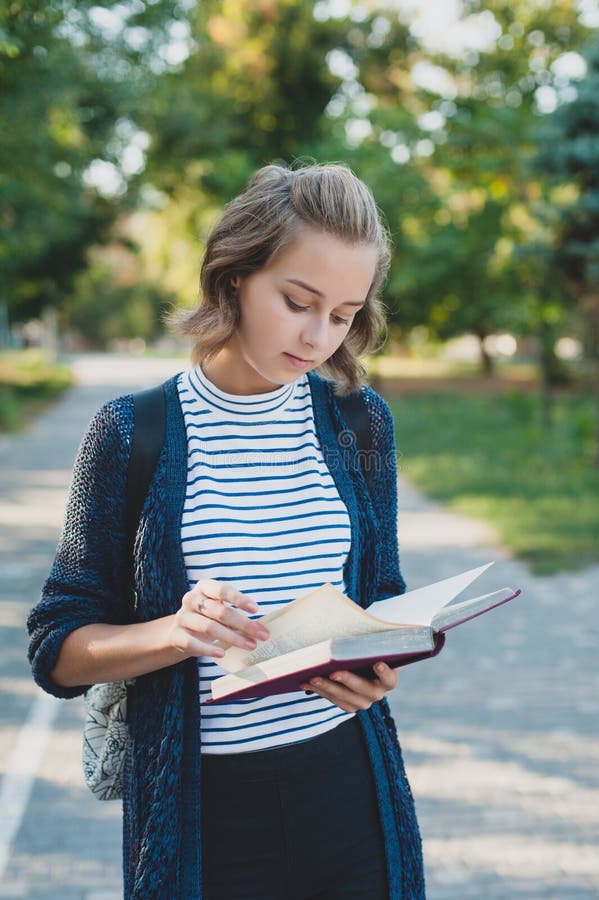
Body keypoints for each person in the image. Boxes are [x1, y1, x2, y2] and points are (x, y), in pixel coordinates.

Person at [27, 162, 425, 899]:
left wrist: (373, 665)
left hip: (349, 796)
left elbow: (380, 600)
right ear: (235, 276)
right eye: (297, 301)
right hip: (202, 816)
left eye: (341, 314)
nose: (316, 336)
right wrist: (174, 633)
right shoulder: (130, 432)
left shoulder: (360, 423)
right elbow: (58, 651)